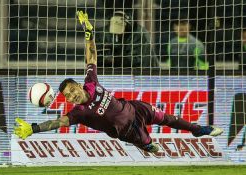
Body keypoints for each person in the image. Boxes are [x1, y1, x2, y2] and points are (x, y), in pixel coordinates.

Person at [14, 11, 223, 153]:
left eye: (71, 91)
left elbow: (91, 57)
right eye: (67, 96)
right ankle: (146, 145)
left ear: (78, 85)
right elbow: (58, 123)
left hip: (134, 107)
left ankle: (198, 130)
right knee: (151, 146)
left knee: (166, 117)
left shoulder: (90, 83)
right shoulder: (80, 112)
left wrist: (89, 34)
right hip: (128, 131)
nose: (71, 96)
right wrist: (34, 128)